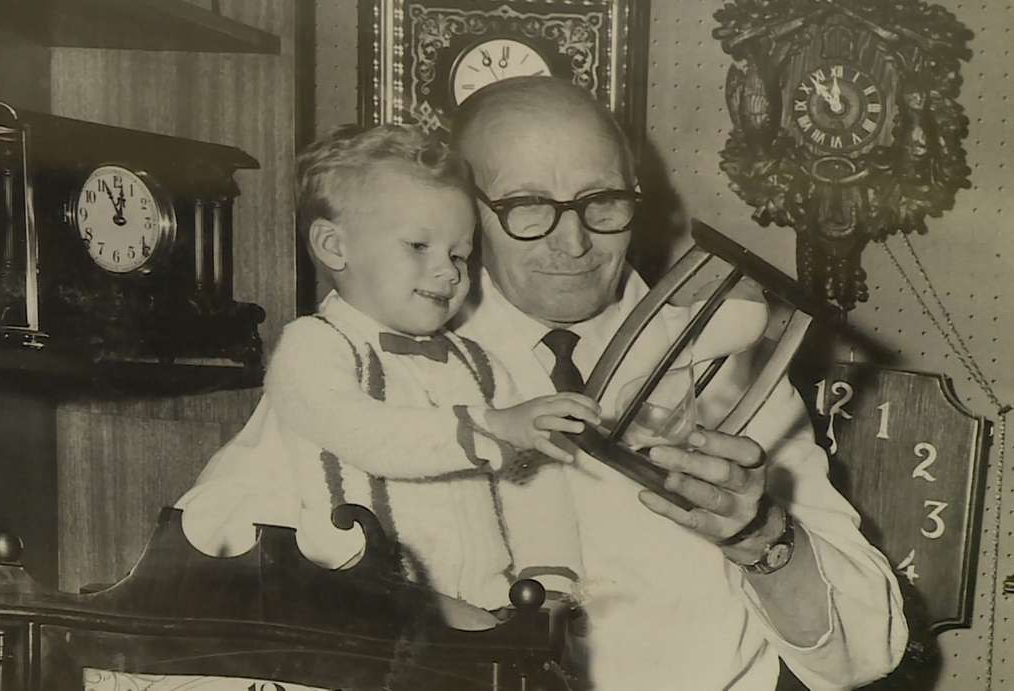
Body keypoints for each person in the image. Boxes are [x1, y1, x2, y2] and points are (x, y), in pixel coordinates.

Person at [449, 76, 907, 689]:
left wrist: (759, 536)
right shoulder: (376, 358)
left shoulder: (724, 361)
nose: (574, 241)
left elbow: (863, 652)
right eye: (526, 206)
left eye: (602, 201)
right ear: (465, 210)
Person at [175, 124, 600, 611]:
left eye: (459, 254)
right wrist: (490, 428)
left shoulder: (480, 367)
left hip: (472, 611)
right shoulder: (314, 345)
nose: (448, 271)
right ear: (335, 247)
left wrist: (549, 578)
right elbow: (362, 432)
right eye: (419, 247)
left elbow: (532, 476)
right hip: (337, 603)